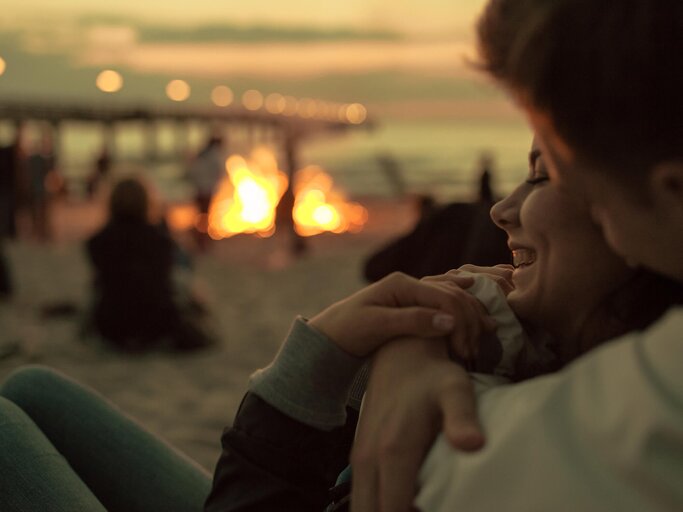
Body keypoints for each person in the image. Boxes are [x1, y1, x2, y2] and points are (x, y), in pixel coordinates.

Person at [203, 139, 683, 511]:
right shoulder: (566, 373)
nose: (499, 210)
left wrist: (316, 369)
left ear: (660, 202)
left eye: (541, 174)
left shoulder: (475, 435)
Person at [349, 1, 683, 510]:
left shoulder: (643, 407)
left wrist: (422, 338)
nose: (501, 210)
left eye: (550, 171)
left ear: (673, 194)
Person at [85, 176, 215, 352]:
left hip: (111, 327)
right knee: (182, 269)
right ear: (147, 202)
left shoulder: (96, 242)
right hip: (156, 324)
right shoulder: (161, 241)